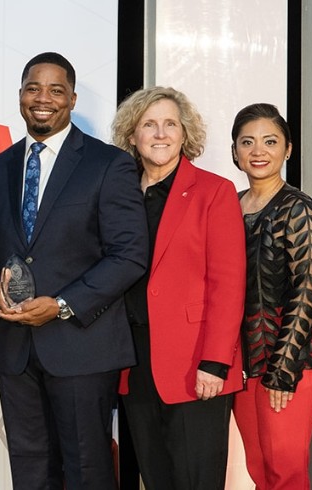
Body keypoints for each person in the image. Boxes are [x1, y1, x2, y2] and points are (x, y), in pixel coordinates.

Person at [0, 52, 147, 490]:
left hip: (82, 348)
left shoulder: (107, 163)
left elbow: (129, 254)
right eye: (33, 87)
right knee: (30, 472)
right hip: (17, 350)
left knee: (87, 471)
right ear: (19, 96)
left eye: (56, 90)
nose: (43, 98)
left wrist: (62, 305)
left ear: (72, 99)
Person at [111, 86, 244, 489]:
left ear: (185, 133)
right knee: (157, 478)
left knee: (196, 480)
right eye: (149, 124)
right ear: (132, 136)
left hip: (196, 363)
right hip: (133, 362)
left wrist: (215, 363)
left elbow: (229, 283)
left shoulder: (213, 191)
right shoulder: (117, 192)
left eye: (171, 123)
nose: (161, 133)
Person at [231, 103, 312, 490]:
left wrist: (283, 371)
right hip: (246, 363)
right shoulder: (230, 205)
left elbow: (308, 292)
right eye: (248, 141)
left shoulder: (299, 209)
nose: (259, 151)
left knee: (285, 471)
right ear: (235, 150)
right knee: (261, 469)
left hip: (292, 362)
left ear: (287, 149)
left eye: (270, 141)